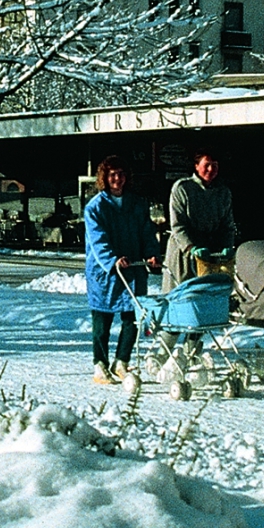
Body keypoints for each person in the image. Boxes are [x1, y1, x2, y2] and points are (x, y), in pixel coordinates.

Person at [83, 155, 160, 384]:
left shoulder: (137, 204)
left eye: (121, 174)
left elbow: (147, 232)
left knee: (133, 319)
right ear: (104, 178)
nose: (117, 179)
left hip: (133, 269)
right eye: (112, 174)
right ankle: (100, 365)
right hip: (106, 273)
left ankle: (121, 362)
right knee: (102, 322)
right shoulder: (95, 207)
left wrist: (152, 253)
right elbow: (98, 240)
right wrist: (112, 260)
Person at [163, 151, 240, 292]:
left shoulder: (223, 192)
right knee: (183, 295)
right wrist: (191, 247)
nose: (211, 169)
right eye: (207, 165)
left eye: (215, 165)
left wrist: (227, 246)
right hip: (184, 254)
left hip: (211, 254)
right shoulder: (182, 188)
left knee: (209, 297)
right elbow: (178, 225)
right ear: (197, 166)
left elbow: (227, 226)